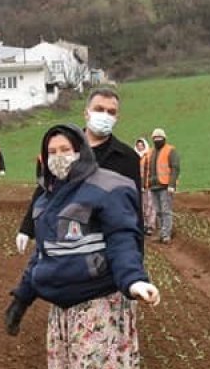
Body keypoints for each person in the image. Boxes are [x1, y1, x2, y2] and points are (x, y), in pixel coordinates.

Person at [3, 124, 160, 369]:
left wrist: (135, 281)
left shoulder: (108, 187)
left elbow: (124, 240)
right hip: (63, 312)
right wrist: (21, 299)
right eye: (52, 150)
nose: (59, 155)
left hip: (100, 306)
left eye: (66, 149)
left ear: (80, 152)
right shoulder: (46, 199)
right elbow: (43, 256)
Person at [17, 88, 141, 253]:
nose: (105, 115)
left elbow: (134, 209)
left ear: (116, 118)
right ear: (86, 113)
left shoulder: (128, 158)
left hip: (104, 244)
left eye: (110, 112)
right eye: (99, 109)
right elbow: (45, 189)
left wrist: (137, 253)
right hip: (65, 240)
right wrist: (27, 228)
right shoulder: (62, 150)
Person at [144, 128, 180, 244]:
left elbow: (175, 168)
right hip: (153, 186)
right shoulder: (150, 152)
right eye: (155, 138)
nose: (157, 140)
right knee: (158, 211)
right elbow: (146, 169)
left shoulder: (171, 150)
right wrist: (146, 184)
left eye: (159, 138)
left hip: (165, 186)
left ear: (164, 139)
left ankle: (166, 235)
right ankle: (161, 233)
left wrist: (172, 184)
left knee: (166, 210)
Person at [134, 138, 156, 235]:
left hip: (149, 184)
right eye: (138, 145)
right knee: (141, 205)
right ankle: (142, 225)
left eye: (141, 145)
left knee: (150, 205)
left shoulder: (149, 156)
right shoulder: (134, 157)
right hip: (138, 184)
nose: (140, 147)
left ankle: (150, 225)